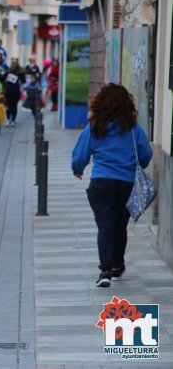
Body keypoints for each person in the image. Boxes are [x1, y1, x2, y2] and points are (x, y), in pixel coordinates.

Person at [71, 83, 152, 288]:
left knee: (105, 225)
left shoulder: (95, 127)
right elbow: (145, 154)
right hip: (126, 184)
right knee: (119, 225)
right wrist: (138, 163)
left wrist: (78, 168)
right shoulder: (134, 129)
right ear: (127, 105)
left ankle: (105, 270)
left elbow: (81, 153)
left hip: (101, 184)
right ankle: (117, 265)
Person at [3, 59, 25, 127]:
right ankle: (8, 119)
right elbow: (3, 79)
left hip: (15, 92)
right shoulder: (7, 72)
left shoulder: (20, 73)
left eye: (15, 64)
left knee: (13, 106)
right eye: (13, 64)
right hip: (8, 92)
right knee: (8, 106)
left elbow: (23, 81)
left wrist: (22, 74)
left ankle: (12, 120)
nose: (13, 66)